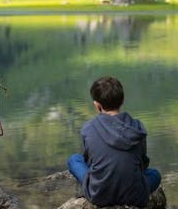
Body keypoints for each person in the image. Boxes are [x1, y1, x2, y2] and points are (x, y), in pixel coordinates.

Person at [67, 76, 161, 207]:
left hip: (99, 195)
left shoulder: (88, 129)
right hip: (135, 196)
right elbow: (143, 165)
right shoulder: (137, 127)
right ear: (122, 100)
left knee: (74, 160)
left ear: (97, 105)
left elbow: (90, 163)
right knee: (155, 174)